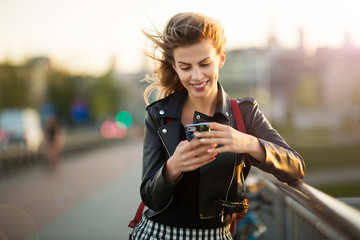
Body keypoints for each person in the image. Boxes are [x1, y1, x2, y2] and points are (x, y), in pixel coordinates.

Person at [131, 12, 305, 240]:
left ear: (221, 58)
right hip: (157, 234)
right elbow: (150, 198)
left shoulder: (244, 113)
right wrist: (173, 167)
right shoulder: (158, 115)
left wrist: (250, 143)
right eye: (185, 67)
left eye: (205, 64)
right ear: (174, 67)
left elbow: (296, 167)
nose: (196, 76)